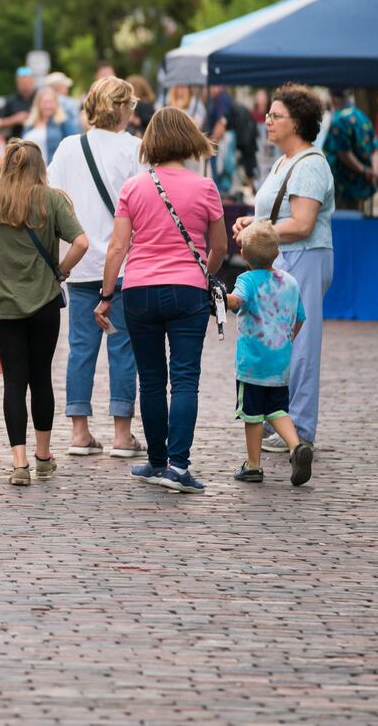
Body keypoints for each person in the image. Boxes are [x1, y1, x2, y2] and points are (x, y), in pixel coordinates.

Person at [97, 108, 226, 494]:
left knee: (151, 379)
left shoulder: (134, 187)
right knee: (185, 378)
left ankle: (156, 462)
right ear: (189, 141)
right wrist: (204, 272)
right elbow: (219, 245)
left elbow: (118, 246)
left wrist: (106, 296)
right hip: (188, 289)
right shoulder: (205, 187)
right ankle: (180, 466)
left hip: (139, 290)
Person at [0, 140, 88, 488]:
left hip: (5, 305)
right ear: (39, 166)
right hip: (44, 302)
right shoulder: (51, 199)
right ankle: (43, 456)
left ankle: (18, 462)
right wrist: (61, 270)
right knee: (41, 379)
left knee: (14, 382)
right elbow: (81, 242)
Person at [46, 77, 145, 458]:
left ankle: (79, 431)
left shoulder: (70, 147)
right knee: (124, 348)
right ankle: (122, 434)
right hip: (123, 263)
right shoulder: (135, 149)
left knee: (81, 349)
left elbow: (54, 197)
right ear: (122, 108)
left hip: (80, 260)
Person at [234, 84, 333, 453]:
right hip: (288, 255)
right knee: (277, 339)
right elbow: (277, 215)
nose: (267, 121)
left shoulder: (310, 164)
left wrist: (259, 231)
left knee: (301, 341)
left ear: (298, 123)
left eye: (276, 116)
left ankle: (302, 426)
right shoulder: (282, 161)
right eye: (269, 114)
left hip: (305, 254)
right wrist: (252, 223)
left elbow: (302, 222)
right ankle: (285, 419)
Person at [226, 221, 314, 486]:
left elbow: (236, 301)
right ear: (277, 252)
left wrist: (219, 296)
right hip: (280, 362)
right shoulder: (290, 281)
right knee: (277, 409)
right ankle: (296, 445)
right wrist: (287, 340)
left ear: (243, 254)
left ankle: (253, 466)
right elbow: (300, 318)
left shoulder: (247, 280)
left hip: (252, 364)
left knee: (252, 415)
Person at [324, 88, 378, 211]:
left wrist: (364, 170)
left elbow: (343, 153)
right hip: (363, 184)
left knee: (345, 222)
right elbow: (375, 147)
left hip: (344, 186)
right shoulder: (362, 116)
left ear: (333, 99)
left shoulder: (338, 120)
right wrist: (374, 170)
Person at [25, 87, 78, 163]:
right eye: (45, 102)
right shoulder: (30, 123)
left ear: (56, 104)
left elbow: (74, 147)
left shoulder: (63, 122)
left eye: (50, 102)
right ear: (38, 103)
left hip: (51, 169)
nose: (48, 106)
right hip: (30, 170)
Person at [0, 67, 38, 146]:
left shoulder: (40, 98)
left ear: (32, 81)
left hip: (37, 143)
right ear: (17, 83)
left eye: (27, 82)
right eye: (22, 82)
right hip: (16, 144)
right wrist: (15, 119)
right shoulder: (11, 100)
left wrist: (32, 118)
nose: (25, 85)